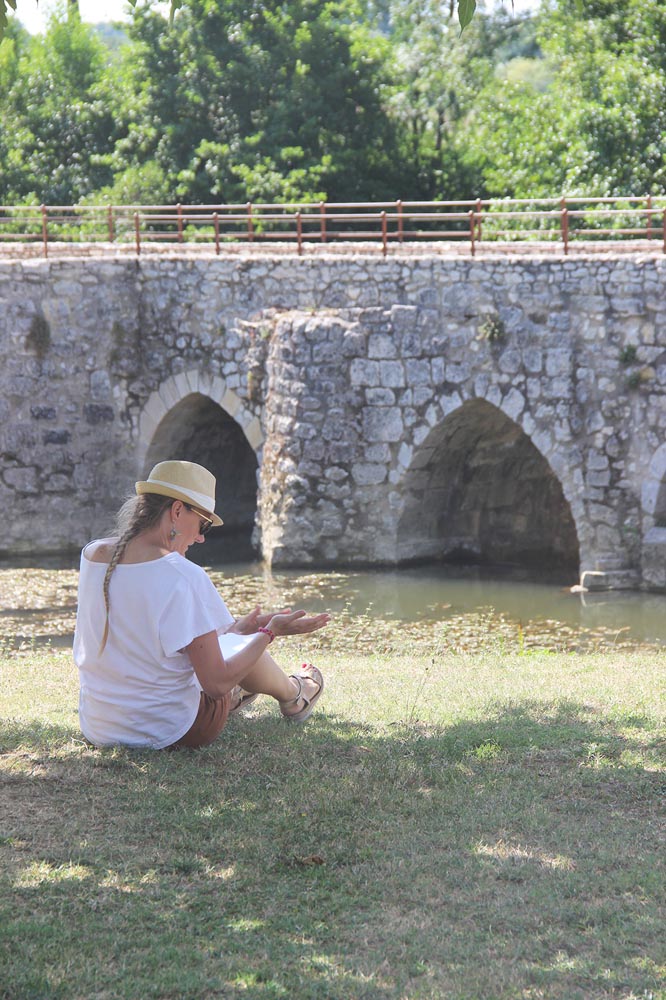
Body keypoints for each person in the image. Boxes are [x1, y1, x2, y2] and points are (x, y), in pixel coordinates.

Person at [73, 460, 329, 749]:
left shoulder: (93, 555)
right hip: (173, 729)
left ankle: (251, 690)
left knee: (234, 641)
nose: (200, 537)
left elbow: (140, 637)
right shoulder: (184, 575)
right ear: (177, 511)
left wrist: (235, 630)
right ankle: (295, 694)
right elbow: (215, 684)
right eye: (203, 523)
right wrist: (269, 633)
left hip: (99, 726)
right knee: (240, 651)